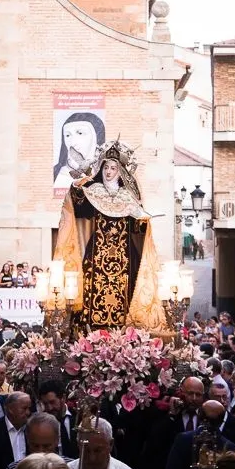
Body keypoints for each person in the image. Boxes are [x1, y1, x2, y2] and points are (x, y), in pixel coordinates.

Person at [53, 140, 165, 331]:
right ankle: (90, 331)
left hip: (125, 258)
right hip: (97, 256)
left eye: (113, 168)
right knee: (91, 289)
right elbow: (78, 206)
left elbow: (137, 230)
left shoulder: (128, 197)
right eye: (106, 167)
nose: (109, 172)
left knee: (127, 290)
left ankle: (126, 332)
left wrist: (142, 220)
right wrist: (77, 183)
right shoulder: (93, 192)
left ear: (120, 171)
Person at [166, 401, 235, 469]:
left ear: (199, 416)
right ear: (221, 422)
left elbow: (172, 468)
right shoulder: (232, 449)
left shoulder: (183, 439)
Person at [52, 112, 106, 187]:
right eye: (67, 135)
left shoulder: (108, 171)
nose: (72, 142)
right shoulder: (55, 173)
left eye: (80, 133)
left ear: (96, 138)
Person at [4, 414, 71, 469]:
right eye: (35, 446)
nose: (40, 451)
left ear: (57, 441)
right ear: (28, 441)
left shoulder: (72, 466)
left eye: (46, 446)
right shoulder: (15, 468)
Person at [38, 379, 78, 458]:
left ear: (63, 397)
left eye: (52, 402)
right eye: (45, 404)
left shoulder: (77, 416)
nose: (49, 408)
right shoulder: (42, 423)